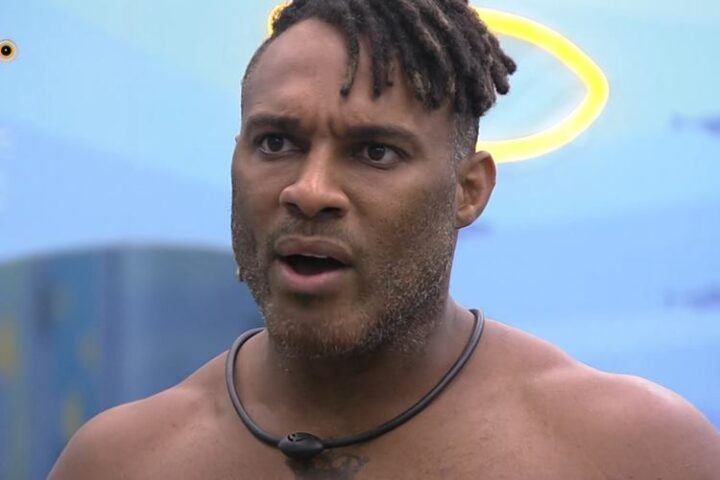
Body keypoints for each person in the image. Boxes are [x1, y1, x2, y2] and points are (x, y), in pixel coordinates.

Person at [50, 1, 720, 478]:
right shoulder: (120, 461)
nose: (310, 190)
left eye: (374, 152)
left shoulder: (632, 453)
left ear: (468, 191)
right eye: (276, 143)